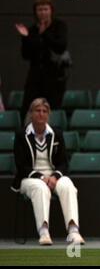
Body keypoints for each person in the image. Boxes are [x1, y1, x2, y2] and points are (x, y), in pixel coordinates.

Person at [11, 98, 85, 246]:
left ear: (48, 114)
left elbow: (63, 162)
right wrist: (41, 177)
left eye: (44, 111)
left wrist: (55, 176)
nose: (41, 114)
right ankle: (44, 231)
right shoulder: (21, 135)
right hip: (29, 178)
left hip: (52, 175)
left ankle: (73, 230)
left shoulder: (56, 133)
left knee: (68, 185)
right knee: (40, 187)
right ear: (31, 114)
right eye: (37, 111)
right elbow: (21, 165)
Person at [15, 0, 69, 120]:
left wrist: (44, 34)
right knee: (27, 109)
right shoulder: (32, 30)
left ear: (51, 11)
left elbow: (60, 46)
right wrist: (25, 38)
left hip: (54, 77)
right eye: (40, 10)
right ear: (35, 12)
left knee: (52, 110)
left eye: (46, 9)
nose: (43, 12)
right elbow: (26, 55)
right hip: (35, 76)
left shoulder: (59, 26)